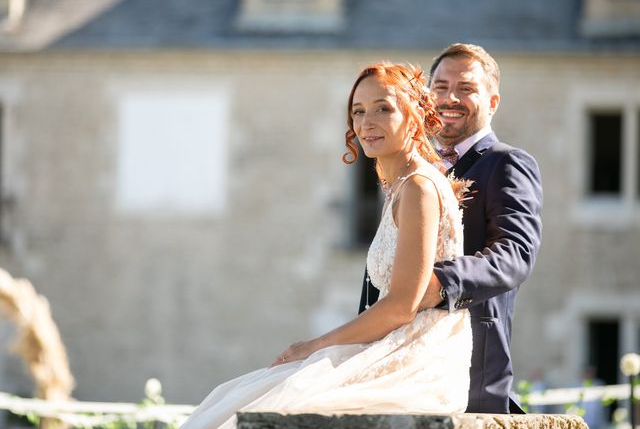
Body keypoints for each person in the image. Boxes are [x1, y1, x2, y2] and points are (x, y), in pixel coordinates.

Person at [182, 62, 473, 429]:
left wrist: (313, 347)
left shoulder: (418, 187)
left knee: (265, 402)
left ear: (414, 114)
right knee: (234, 397)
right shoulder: (401, 187)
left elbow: (401, 307)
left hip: (419, 358)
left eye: (383, 107)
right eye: (358, 111)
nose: (367, 122)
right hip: (395, 344)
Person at [359, 43, 543, 414]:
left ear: (492, 102)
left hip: (464, 367)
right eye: (440, 87)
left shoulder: (507, 164)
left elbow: (514, 255)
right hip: (392, 361)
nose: (450, 98)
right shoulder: (410, 171)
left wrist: (438, 285)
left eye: (466, 88)